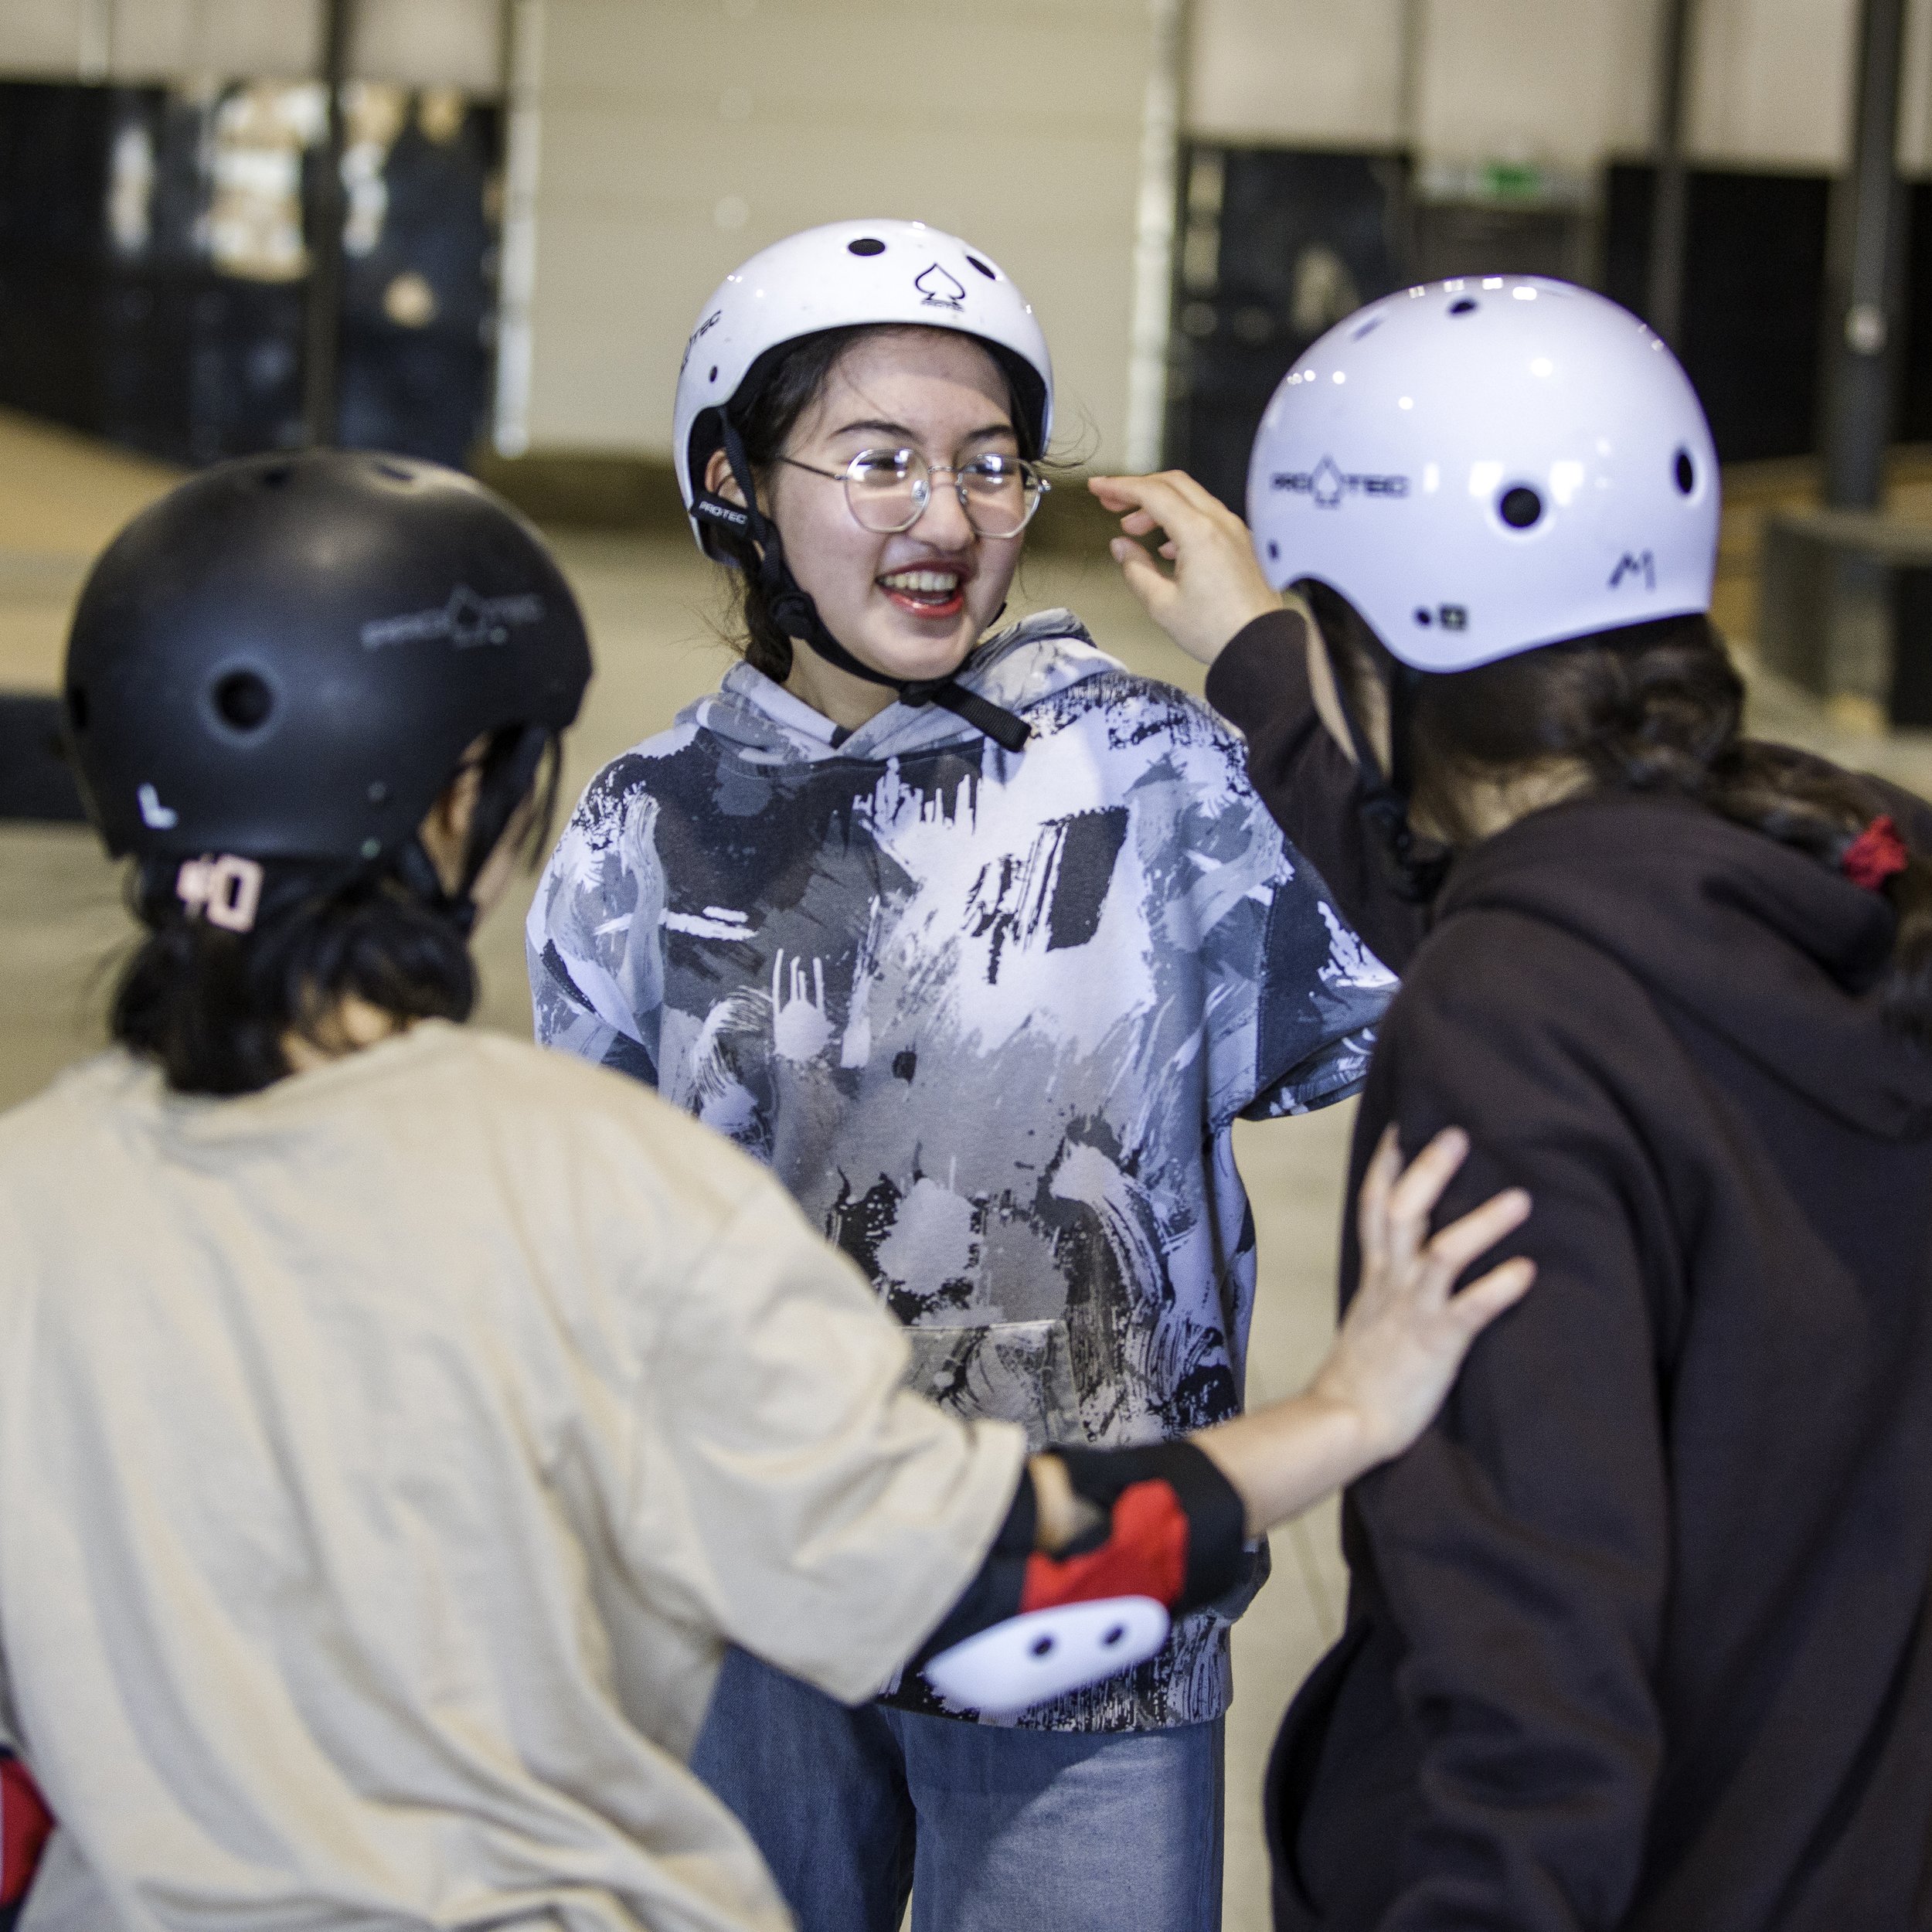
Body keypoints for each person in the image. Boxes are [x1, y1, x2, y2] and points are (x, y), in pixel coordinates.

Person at [0, 449, 1532, 1931]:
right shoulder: (585, 1183)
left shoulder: (30, 1192)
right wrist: (1348, 1408)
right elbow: (973, 1553)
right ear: (465, 796)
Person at [527, 218, 1397, 1932]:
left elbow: (1441, 931)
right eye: (878, 461)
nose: (942, 518)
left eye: (990, 466)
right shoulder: (643, 828)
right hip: (756, 1614)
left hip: (1091, 1610)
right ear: (732, 479)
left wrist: (1263, 657)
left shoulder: (1153, 778)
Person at [1090, 277, 1932, 1930]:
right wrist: (1273, 650)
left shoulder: (1512, 1021)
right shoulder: (1848, 885)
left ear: (1369, 646)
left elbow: (1531, 1678)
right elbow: (1527, 900)